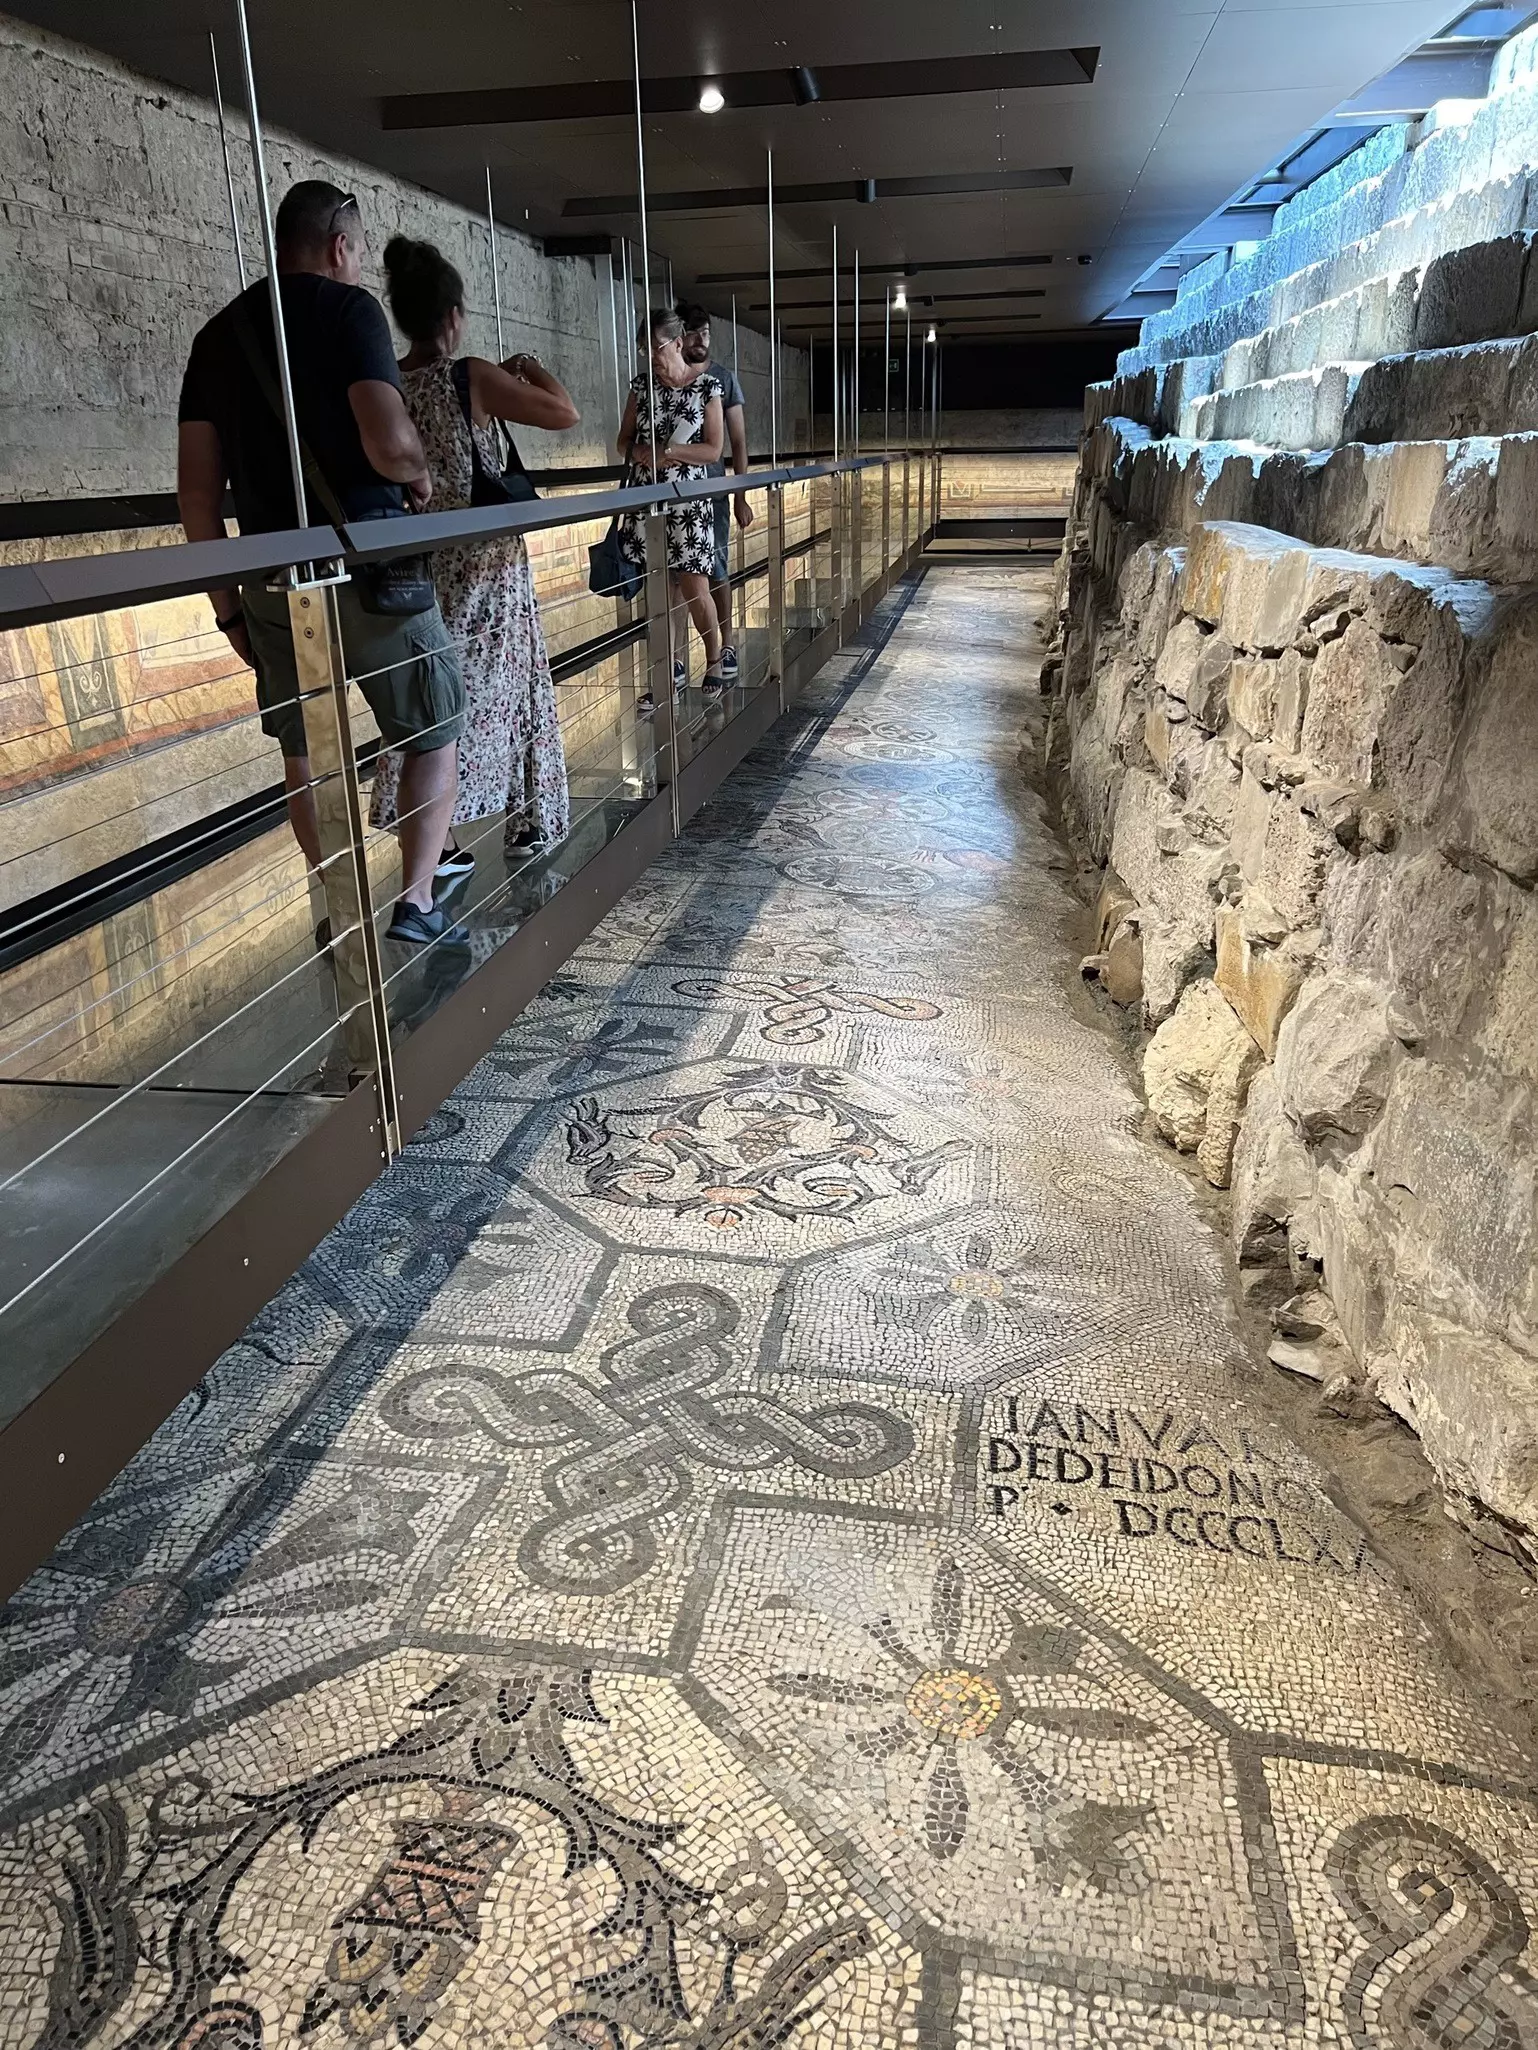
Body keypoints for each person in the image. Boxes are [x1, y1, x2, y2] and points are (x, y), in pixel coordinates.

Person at [177, 180, 466, 948]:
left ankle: (342, 907)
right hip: (368, 565)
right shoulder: (350, 311)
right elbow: (385, 439)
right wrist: (417, 473)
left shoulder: (217, 338)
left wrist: (227, 608)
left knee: (307, 750)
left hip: (271, 579)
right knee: (434, 726)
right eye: (359, 251)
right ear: (341, 247)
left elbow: (199, 499)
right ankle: (415, 901)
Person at [372, 235, 579, 874]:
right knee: (511, 688)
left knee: (436, 694)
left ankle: (438, 840)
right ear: (453, 316)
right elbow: (565, 413)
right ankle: (529, 819)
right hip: (489, 566)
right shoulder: (472, 378)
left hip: (423, 565)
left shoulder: (386, 384)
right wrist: (529, 365)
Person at [616, 310, 726, 698]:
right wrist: (642, 451)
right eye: (645, 350)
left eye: (656, 348)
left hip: (689, 500)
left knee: (695, 584)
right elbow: (622, 442)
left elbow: (714, 449)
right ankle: (669, 670)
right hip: (650, 499)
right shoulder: (641, 388)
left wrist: (671, 451)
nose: (651, 357)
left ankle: (715, 658)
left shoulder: (707, 387)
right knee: (661, 590)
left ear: (678, 343)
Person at [677, 300, 753, 684]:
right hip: (674, 494)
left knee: (716, 568)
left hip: (714, 492)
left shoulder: (722, 378)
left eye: (705, 332)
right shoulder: (669, 379)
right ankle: (675, 659)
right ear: (680, 336)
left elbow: (737, 441)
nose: (701, 340)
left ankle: (727, 644)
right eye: (693, 332)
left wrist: (740, 493)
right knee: (677, 575)